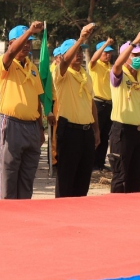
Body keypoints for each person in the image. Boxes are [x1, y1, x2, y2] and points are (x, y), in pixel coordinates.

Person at [0, 22, 45, 200]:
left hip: (32, 127)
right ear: (11, 43)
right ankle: (6, 213)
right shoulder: (5, 63)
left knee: (27, 177)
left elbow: (36, 99)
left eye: (29, 41)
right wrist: (30, 30)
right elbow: (10, 54)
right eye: (23, 41)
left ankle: (24, 212)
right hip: (11, 124)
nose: (27, 44)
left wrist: (40, 128)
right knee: (9, 175)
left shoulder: (33, 68)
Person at [53, 25, 100, 198]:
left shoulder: (85, 75)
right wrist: (80, 39)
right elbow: (64, 63)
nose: (79, 54)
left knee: (83, 179)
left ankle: (79, 211)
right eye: (75, 51)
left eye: (81, 51)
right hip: (69, 131)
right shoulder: (61, 73)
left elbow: (91, 103)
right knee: (66, 179)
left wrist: (96, 129)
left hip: (86, 132)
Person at [109, 34, 140, 193]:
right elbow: (117, 64)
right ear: (125, 56)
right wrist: (135, 42)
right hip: (123, 131)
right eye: (134, 55)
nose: (138, 58)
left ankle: (133, 207)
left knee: (136, 176)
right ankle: (116, 206)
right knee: (121, 176)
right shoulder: (119, 75)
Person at [89, 39, 115, 171]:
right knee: (95, 133)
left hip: (110, 104)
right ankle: (92, 163)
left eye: (110, 53)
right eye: (105, 52)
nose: (108, 55)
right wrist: (105, 44)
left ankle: (100, 163)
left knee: (105, 135)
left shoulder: (111, 67)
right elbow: (93, 59)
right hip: (98, 103)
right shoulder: (95, 65)